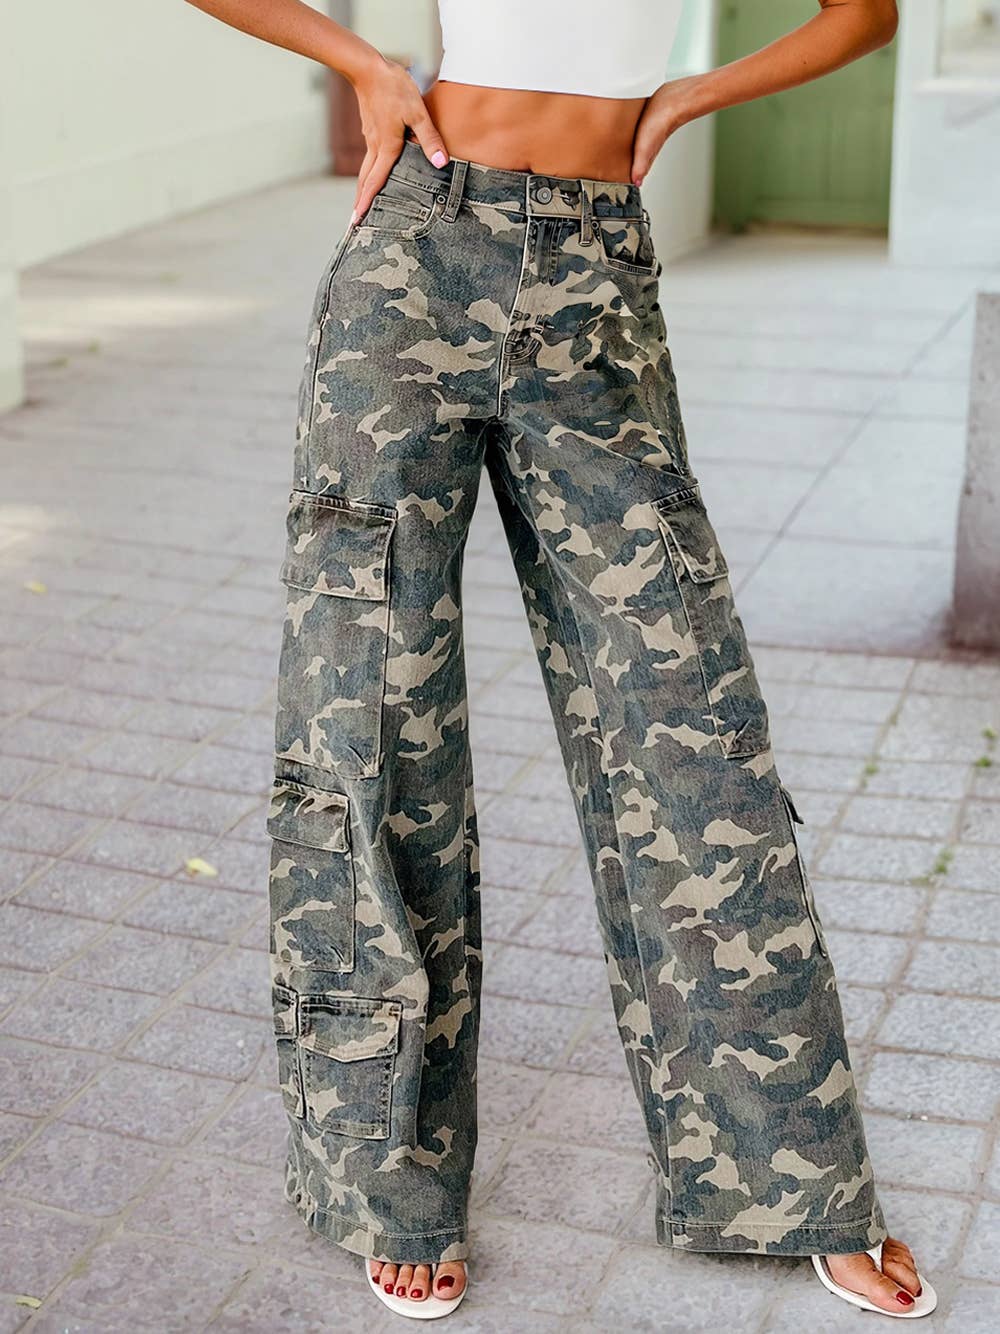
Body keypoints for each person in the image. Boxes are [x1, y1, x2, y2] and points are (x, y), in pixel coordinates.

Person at [186, 0, 934, 1321]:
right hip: (415, 262)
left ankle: (793, 1180)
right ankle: (392, 1185)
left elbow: (864, 15)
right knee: (373, 718)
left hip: (596, 282)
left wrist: (687, 96)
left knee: (687, 727)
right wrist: (360, 62)